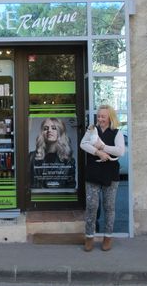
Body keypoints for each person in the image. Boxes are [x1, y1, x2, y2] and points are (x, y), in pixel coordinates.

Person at [80, 104, 125, 252]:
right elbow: (83, 144)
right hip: (93, 172)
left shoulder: (117, 132)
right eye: (99, 116)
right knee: (92, 206)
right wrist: (98, 153)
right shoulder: (92, 129)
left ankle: (107, 237)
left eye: (103, 116)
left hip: (110, 173)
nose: (100, 119)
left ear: (110, 117)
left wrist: (103, 147)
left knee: (109, 207)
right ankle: (89, 237)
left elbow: (120, 151)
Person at [29, 118, 76, 189]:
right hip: (38, 198)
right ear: (42, 133)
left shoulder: (69, 160)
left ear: (60, 131)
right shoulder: (31, 157)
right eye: (45, 128)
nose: (49, 131)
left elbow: (70, 186)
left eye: (54, 128)